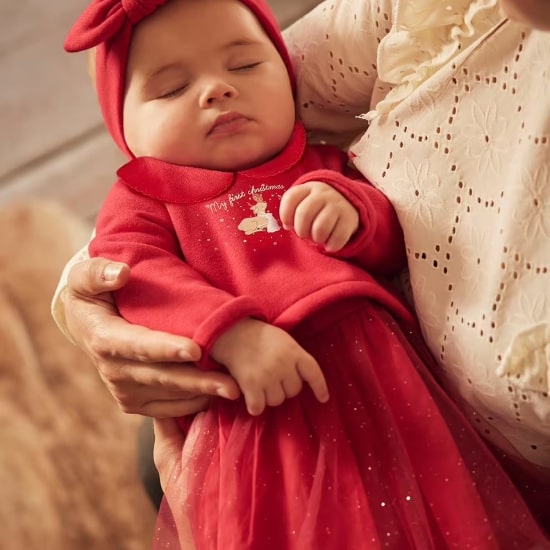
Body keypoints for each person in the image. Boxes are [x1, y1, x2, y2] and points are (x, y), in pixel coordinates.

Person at [61, 0, 550, 548]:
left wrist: (356, 215)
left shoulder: (318, 163)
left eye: (245, 66)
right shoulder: (144, 199)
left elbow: (393, 242)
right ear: (123, 131)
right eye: (171, 89)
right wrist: (228, 333)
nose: (217, 90)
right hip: (262, 402)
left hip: (386, 377)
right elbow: (133, 272)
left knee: (445, 512)